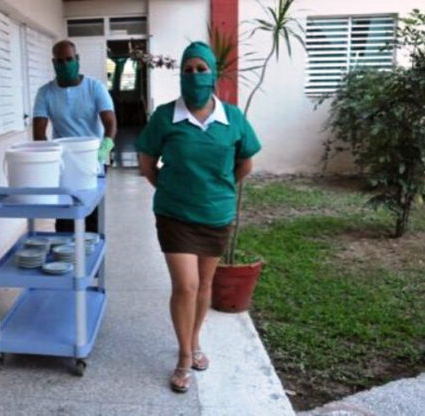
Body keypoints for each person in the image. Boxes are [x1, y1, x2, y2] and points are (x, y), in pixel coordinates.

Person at [135, 42, 262, 393]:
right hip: (175, 214)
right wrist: (171, 188)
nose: (194, 76)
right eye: (188, 70)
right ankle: (183, 356)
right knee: (186, 285)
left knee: (205, 285)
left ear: (214, 74)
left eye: (201, 69)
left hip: (215, 214)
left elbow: (245, 163)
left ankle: (196, 342)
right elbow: (147, 162)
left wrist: (217, 189)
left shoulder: (233, 118)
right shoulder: (165, 116)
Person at [32, 40, 117, 233]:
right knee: (64, 213)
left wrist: (106, 146)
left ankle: (91, 259)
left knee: (92, 213)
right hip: (63, 160)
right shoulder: (45, 93)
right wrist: (50, 159)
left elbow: (110, 122)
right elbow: (38, 132)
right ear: (54, 63)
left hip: (93, 158)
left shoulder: (95, 88)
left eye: (69, 59)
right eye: (60, 61)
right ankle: (66, 259)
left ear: (77, 59)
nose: (65, 65)